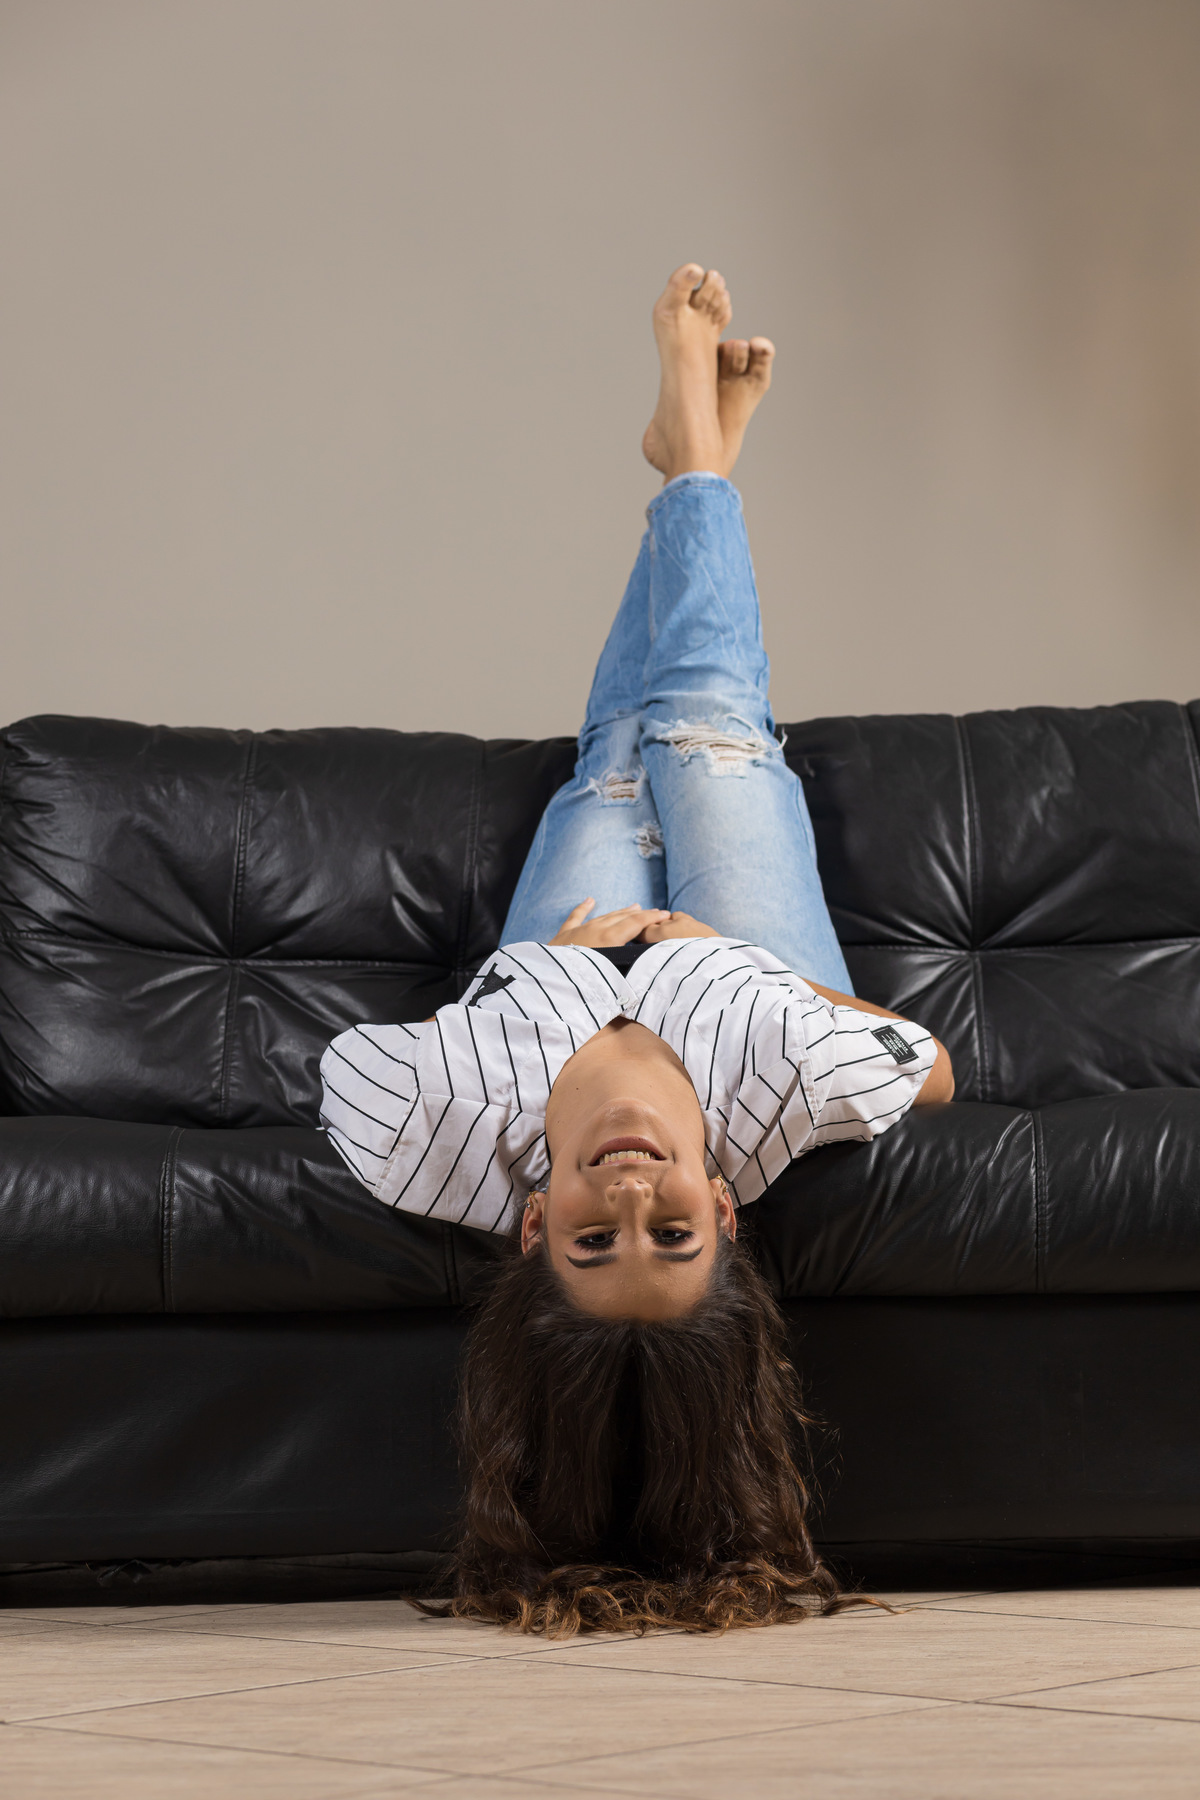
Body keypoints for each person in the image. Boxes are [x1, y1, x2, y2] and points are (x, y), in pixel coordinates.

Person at [320, 265, 954, 1633]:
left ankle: (692, 462)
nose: (630, 1192)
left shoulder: (452, 1124)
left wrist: (529, 986)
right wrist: (744, 967)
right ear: (725, 1209)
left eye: (593, 1239)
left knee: (611, 758)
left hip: (566, 962)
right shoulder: (783, 1080)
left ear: (530, 1227)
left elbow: (343, 1074)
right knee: (708, 725)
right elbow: (934, 1064)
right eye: (671, 1231)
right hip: (738, 968)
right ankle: (693, 451)